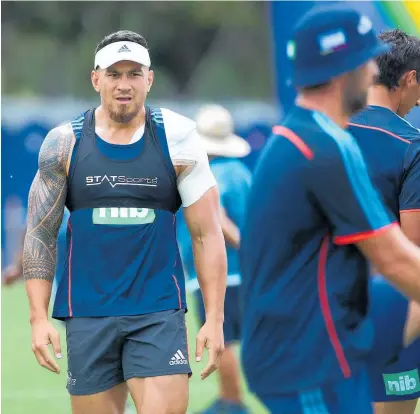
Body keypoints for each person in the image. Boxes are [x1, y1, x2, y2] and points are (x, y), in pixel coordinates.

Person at [22, 30, 227, 414]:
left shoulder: (178, 137)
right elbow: (40, 232)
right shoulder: (63, 143)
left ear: (149, 79)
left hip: (157, 313)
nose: (124, 84)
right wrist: (37, 318)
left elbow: (206, 233)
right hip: (86, 314)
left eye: (134, 73)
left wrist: (214, 319)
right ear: (96, 79)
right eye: (114, 74)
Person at [239, 5, 420, 414]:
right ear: (345, 72)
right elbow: (394, 259)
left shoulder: (297, 135)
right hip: (309, 359)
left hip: (302, 348)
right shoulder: (322, 148)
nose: (372, 75)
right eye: (364, 64)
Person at [348, 29, 420, 414]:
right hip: (387, 316)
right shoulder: (412, 145)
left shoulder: (318, 133)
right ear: (408, 79)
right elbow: (413, 256)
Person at [177, 104, 251, 414]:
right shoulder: (242, 173)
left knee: (224, 337)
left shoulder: (208, 175)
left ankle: (232, 401)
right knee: (231, 335)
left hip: (216, 271)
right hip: (239, 273)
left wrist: (244, 247)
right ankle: (229, 398)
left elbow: (217, 219)